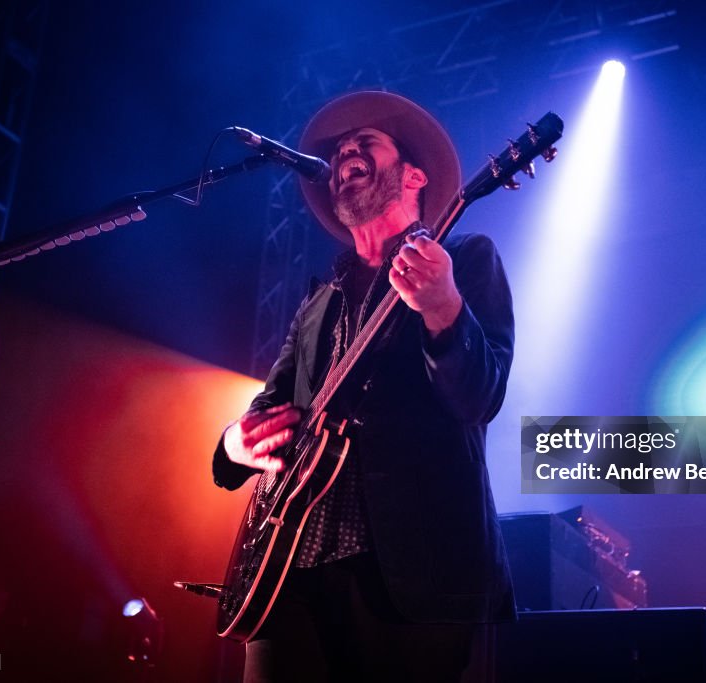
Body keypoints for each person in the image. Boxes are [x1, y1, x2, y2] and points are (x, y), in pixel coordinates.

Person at [211, 91, 516, 682]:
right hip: (287, 575)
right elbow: (263, 414)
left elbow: (481, 397)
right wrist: (234, 445)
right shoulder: (315, 304)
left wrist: (444, 309)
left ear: (414, 175)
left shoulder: (466, 259)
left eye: (365, 143)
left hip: (410, 579)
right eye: (340, 149)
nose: (345, 150)